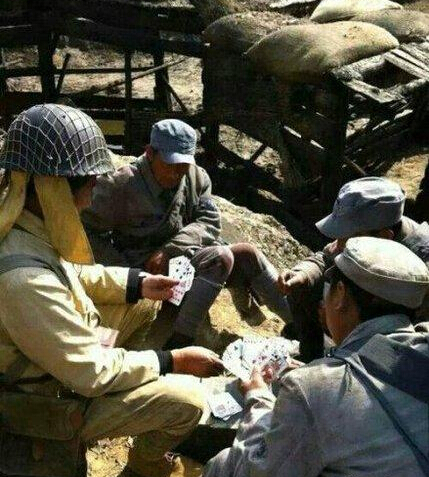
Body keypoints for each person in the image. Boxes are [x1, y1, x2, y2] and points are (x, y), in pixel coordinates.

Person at [0, 104, 224, 477]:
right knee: (189, 401)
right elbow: (90, 372)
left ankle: (118, 390)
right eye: (90, 185)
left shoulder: (21, 220)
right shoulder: (24, 282)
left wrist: (137, 283)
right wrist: (171, 361)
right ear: (56, 188)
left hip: (58, 359)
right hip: (42, 394)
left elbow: (70, 273)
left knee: (144, 304)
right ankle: (140, 464)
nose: (92, 197)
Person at [204, 236, 429, 477]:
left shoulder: (312, 388)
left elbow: (257, 471)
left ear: (340, 294)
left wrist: (257, 397)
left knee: (223, 464)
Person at [82, 119, 290, 348]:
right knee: (221, 257)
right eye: (170, 164)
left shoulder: (196, 177)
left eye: (183, 165)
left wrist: (169, 251)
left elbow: (209, 221)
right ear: (150, 153)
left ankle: (300, 324)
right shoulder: (120, 185)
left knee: (246, 254)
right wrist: (127, 275)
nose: (177, 173)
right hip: (140, 271)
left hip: (183, 262)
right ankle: (179, 343)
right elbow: (86, 231)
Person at [279, 176, 429, 362]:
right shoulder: (373, 228)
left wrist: (339, 323)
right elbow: (326, 257)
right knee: (302, 287)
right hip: (360, 317)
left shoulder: (423, 267)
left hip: (399, 351)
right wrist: (303, 274)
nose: (340, 244)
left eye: (347, 238)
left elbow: (416, 338)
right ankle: (311, 358)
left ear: (385, 236)